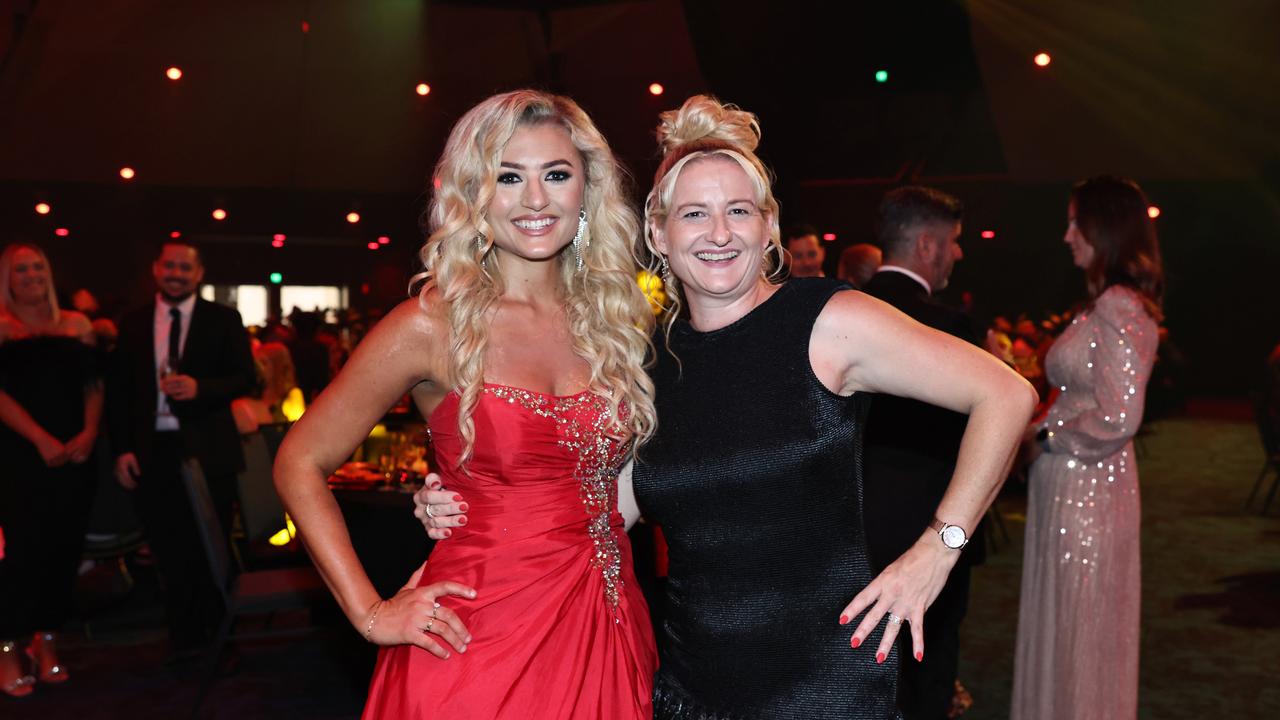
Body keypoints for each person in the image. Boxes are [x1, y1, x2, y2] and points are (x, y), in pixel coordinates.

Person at [420, 96, 1037, 719]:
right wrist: (475, 506)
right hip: (692, 688)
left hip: (827, 686)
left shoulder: (827, 322)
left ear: (768, 226)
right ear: (657, 234)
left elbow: (1007, 394)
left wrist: (939, 547)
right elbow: (601, 511)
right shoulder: (644, 359)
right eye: (694, 214)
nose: (719, 234)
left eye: (738, 211)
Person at [272, 89, 660, 719]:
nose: (535, 199)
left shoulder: (615, 322)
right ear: (474, 194)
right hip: (473, 637)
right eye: (509, 177)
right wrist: (370, 612)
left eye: (556, 174)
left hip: (606, 618)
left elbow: (621, 486)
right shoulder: (431, 324)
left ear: (586, 190)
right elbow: (298, 461)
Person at [1011, 176, 1163, 720]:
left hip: (1087, 491)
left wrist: (1048, 435)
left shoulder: (1119, 307)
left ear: (1105, 229)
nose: (1067, 234)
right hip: (1072, 486)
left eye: (1076, 221)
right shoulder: (1103, 304)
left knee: (1082, 624)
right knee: (1069, 620)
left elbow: (1121, 416)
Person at [860, 186, 981, 719]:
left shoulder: (836, 313)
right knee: (928, 677)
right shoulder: (953, 327)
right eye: (954, 242)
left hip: (847, 527)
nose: (958, 253)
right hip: (932, 531)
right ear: (928, 246)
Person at [107, 241, 256, 659]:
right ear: (156, 270)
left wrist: (200, 388)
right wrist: (122, 450)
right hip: (153, 451)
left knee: (213, 548)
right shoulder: (134, 323)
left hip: (211, 451)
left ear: (199, 273)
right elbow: (119, 394)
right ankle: (183, 642)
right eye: (169, 265)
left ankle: (220, 641)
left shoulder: (224, 319)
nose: (176, 272)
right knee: (168, 552)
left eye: (184, 267)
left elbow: (247, 378)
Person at [0, 244, 99, 696]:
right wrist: (39, 438)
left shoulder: (77, 324)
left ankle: (47, 641)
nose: (31, 275)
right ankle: (7, 647)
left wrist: (89, 434)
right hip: (20, 455)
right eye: (21, 269)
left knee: (65, 550)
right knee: (22, 554)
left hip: (75, 454)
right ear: (7, 277)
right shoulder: (2, 326)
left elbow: (95, 385)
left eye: (38, 266)